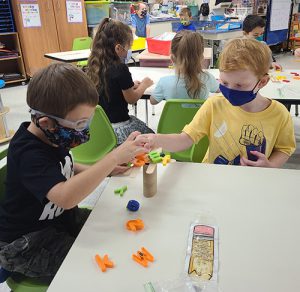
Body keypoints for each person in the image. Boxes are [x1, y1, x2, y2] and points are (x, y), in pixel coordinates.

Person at [0, 63, 148, 281]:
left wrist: (105, 170)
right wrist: (112, 158)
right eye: (80, 123)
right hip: (27, 242)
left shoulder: (50, 135)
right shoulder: (28, 152)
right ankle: (12, 266)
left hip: (60, 223)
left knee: (115, 226)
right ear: (46, 122)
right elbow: (65, 197)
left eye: (87, 121)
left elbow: (66, 165)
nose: (85, 130)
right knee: (96, 270)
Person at [141, 39, 296, 167]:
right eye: (224, 82)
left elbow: (284, 149)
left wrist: (270, 165)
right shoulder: (214, 105)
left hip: (253, 182)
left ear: (262, 82)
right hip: (213, 177)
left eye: (240, 85)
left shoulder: (279, 114)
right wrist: (157, 140)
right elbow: (185, 139)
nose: (230, 90)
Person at [87, 18, 154, 146]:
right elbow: (132, 98)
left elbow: (111, 87)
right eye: (129, 47)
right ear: (118, 48)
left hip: (101, 128)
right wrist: (144, 85)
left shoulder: (94, 65)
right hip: (119, 128)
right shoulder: (120, 68)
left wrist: (129, 85)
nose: (130, 50)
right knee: (151, 139)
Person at [150, 30, 219, 105]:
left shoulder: (164, 82)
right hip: (200, 117)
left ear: (172, 58)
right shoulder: (207, 78)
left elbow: (153, 101)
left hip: (175, 117)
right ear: (202, 57)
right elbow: (221, 90)